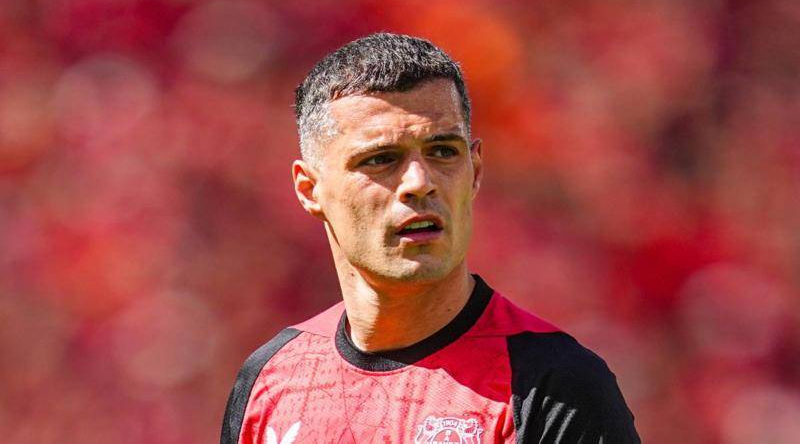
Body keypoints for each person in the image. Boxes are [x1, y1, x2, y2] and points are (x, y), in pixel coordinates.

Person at [220, 32, 640, 444]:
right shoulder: (271, 380)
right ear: (310, 190)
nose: (420, 182)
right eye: (381, 159)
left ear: (475, 172)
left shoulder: (555, 385)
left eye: (443, 152)